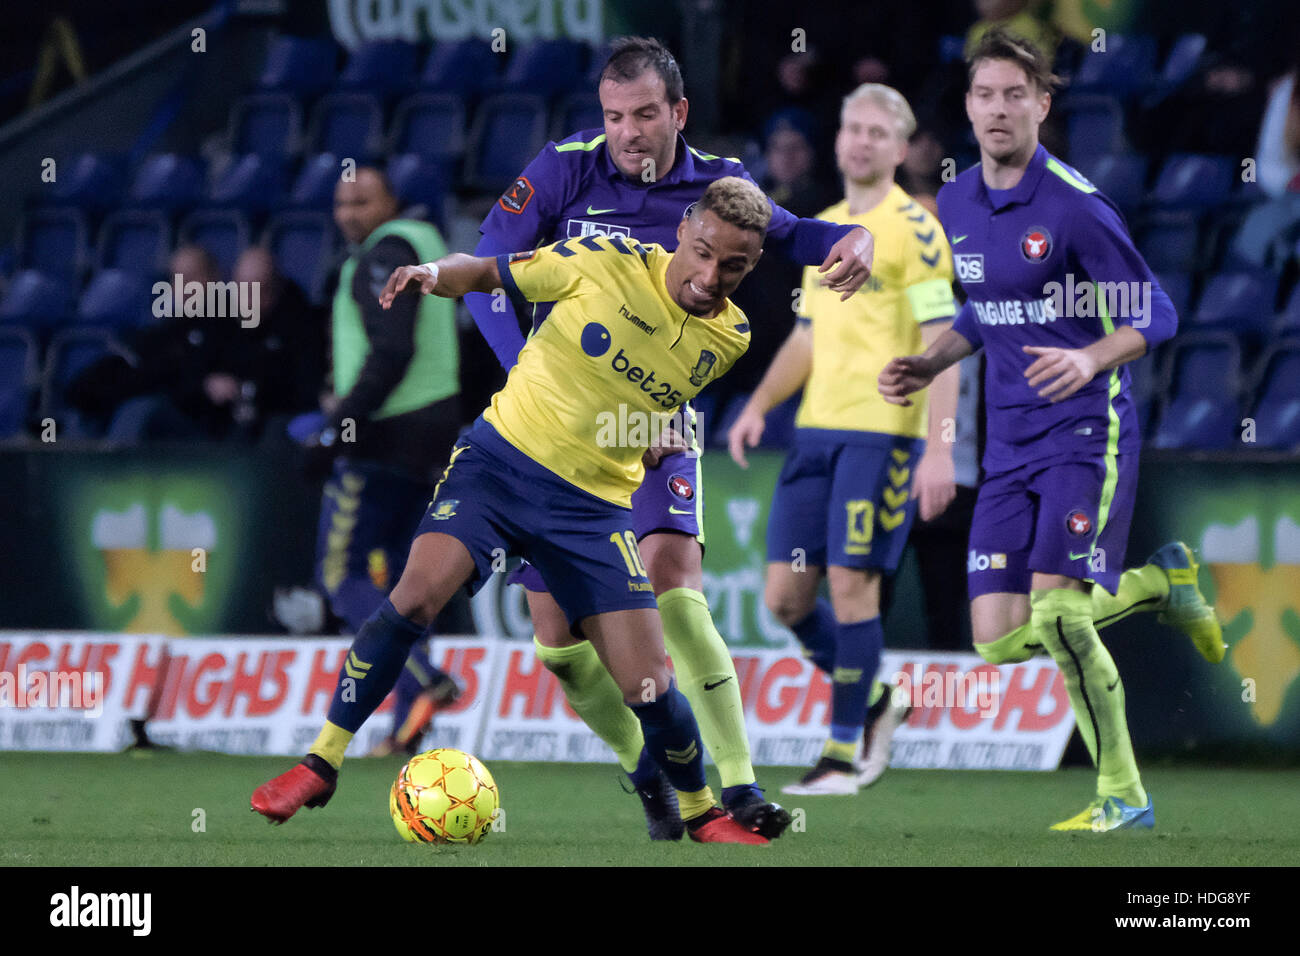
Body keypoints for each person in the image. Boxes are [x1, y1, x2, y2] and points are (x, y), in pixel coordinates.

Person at [252, 177, 775, 845]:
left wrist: (641, 440)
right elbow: (489, 271)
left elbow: (638, 399)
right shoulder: (601, 263)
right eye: (703, 252)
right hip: (498, 468)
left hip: (592, 508)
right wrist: (432, 273)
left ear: (752, 265)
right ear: (683, 231)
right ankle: (320, 761)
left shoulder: (728, 337)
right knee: (413, 599)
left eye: (733, 265)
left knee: (650, 684)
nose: (710, 276)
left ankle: (701, 813)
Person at [464, 36, 875, 839]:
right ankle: (643, 766)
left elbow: (796, 237)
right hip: (559, 432)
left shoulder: (723, 185)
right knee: (558, 641)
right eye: (615, 116)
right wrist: (523, 368)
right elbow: (487, 269)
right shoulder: (563, 167)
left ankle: (743, 787)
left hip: (653, 421)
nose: (629, 132)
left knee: (674, 586)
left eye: (646, 114)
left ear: (677, 112)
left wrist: (855, 240)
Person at [877, 29, 1225, 831]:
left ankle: (1123, 793)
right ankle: (1159, 585)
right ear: (967, 107)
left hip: (1083, 432)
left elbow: (1157, 312)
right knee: (998, 642)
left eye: (1013, 95)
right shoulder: (958, 200)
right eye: (984, 94)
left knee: (1061, 617)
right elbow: (983, 307)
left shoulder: (1075, 206)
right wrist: (931, 364)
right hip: (1009, 448)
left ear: (1042, 103)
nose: (998, 109)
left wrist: (1090, 359)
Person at [728, 83, 959, 795]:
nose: (860, 141)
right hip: (815, 435)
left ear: (898, 147)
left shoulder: (918, 229)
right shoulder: (822, 228)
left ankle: (841, 754)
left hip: (881, 437)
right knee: (785, 600)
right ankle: (880, 704)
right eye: (851, 127)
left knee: (854, 588)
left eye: (875, 132)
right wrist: (760, 403)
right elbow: (806, 334)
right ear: (838, 140)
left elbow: (940, 340)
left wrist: (942, 446)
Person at [307, 166, 463, 755]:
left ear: (392, 201)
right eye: (342, 202)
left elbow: (392, 348)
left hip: (382, 437)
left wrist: (335, 429)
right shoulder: (429, 246)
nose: (349, 213)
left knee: (339, 573)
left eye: (362, 200)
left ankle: (424, 678)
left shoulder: (387, 251)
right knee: (409, 579)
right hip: (433, 434)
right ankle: (405, 727)